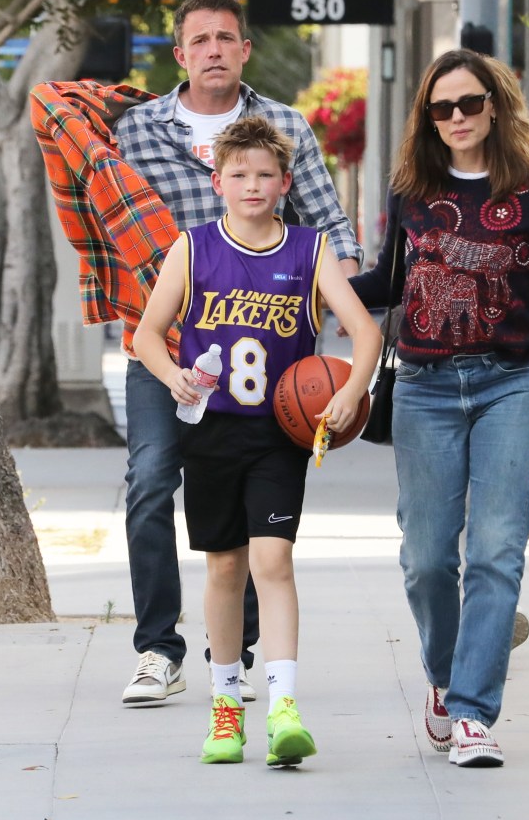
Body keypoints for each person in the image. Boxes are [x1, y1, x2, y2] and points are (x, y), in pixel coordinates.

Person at [30, 0, 362, 707]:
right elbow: (92, 182)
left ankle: (235, 656)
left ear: (246, 50)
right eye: (200, 39)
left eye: (227, 38)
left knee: (243, 502)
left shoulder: (285, 128)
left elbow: (331, 231)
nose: (215, 49)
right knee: (151, 480)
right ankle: (157, 648)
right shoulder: (136, 130)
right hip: (167, 346)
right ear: (179, 55)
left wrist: (342, 310)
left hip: (263, 358)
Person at [350, 49, 529, 768]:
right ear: (428, 118)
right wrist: (301, 278)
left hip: (512, 385)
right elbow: (388, 282)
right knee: (427, 559)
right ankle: (445, 676)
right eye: (441, 108)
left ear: (495, 104)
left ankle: (473, 714)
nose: (456, 118)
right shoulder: (411, 192)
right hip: (425, 388)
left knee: (495, 550)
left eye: (469, 103)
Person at [132, 116, 381, 764]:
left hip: (279, 432)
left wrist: (352, 390)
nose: (251, 184)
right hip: (211, 430)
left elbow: (365, 331)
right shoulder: (192, 248)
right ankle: (223, 707)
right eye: (238, 173)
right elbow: (147, 335)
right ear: (217, 182)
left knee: (273, 562)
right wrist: (173, 376)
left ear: (285, 183)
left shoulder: (310, 248)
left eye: (264, 174)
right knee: (223, 567)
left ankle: (283, 706)